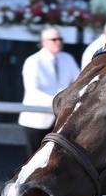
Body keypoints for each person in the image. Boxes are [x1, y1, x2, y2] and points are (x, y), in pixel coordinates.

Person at [18, 28, 80, 158]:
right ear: (43, 42)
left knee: (55, 159)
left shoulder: (67, 58)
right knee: (33, 158)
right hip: (36, 120)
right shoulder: (33, 61)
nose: (58, 42)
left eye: (60, 39)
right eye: (54, 39)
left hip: (60, 119)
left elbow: (78, 82)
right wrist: (59, 101)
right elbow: (33, 91)